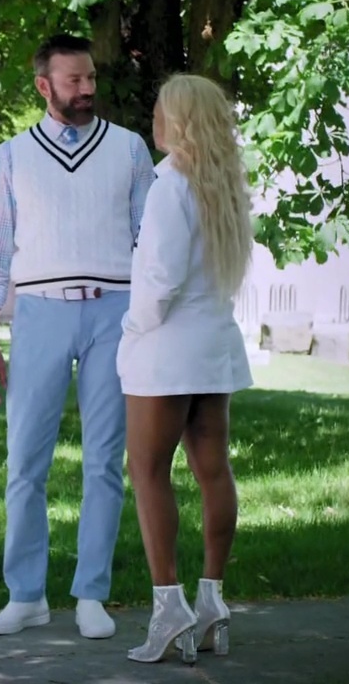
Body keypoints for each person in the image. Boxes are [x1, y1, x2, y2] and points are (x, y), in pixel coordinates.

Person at [0, 33, 157, 640]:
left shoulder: (129, 149)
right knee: (26, 462)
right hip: (39, 313)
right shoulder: (11, 156)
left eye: (91, 78)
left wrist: (151, 322)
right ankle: (26, 596)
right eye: (74, 80)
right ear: (43, 86)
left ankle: (91, 595)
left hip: (115, 313)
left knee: (105, 462)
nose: (86, 89)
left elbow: (151, 243)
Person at [115, 73, 255, 664]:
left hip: (167, 350)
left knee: (148, 471)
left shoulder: (169, 184)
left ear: (180, 121)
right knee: (213, 471)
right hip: (214, 346)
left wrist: (132, 328)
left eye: (161, 111)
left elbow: (160, 279)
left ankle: (169, 607)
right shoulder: (226, 186)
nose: (154, 119)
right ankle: (212, 600)